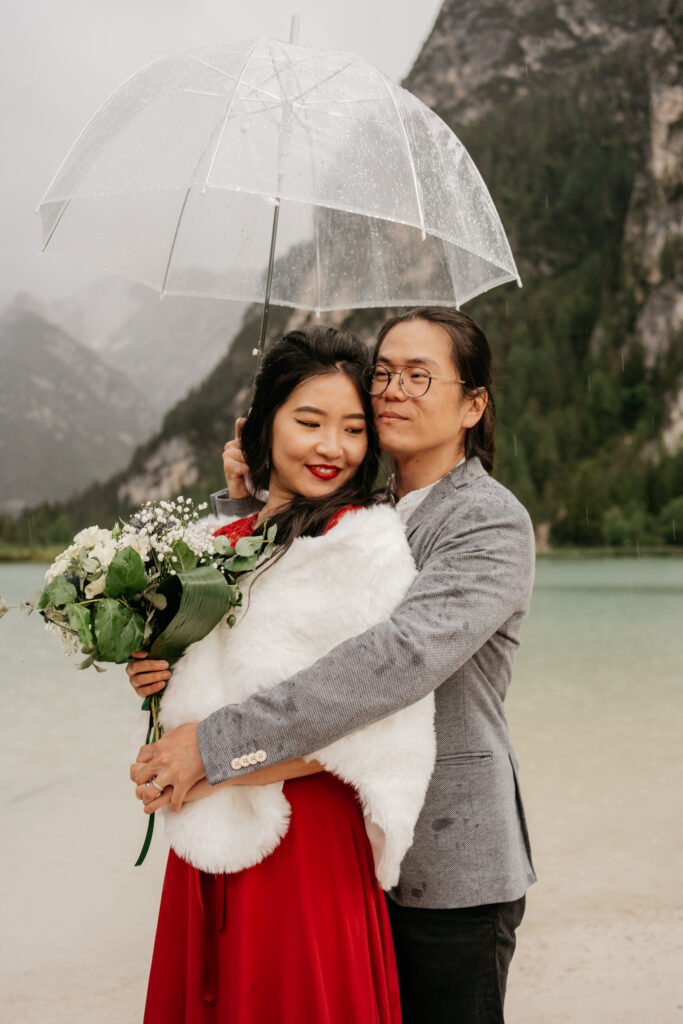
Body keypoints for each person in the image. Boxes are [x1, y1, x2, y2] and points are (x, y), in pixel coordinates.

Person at [130, 307, 536, 1023]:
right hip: (348, 851)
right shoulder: (367, 507)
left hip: (445, 870)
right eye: (382, 374)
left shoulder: (486, 520)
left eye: (419, 376)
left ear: (473, 404)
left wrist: (212, 746)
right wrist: (247, 507)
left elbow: (395, 660)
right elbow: (289, 611)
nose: (390, 392)